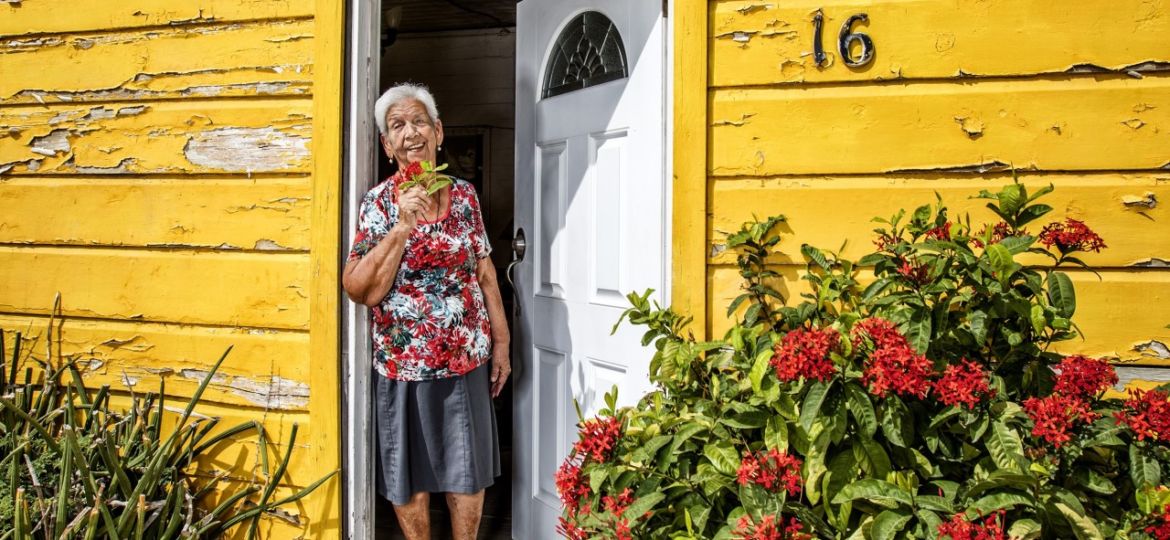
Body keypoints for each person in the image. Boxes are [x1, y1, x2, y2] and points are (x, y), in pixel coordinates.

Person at [343, 83, 510, 539]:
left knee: (467, 471)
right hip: (404, 365)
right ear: (386, 145)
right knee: (408, 476)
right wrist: (401, 227)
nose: (410, 133)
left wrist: (502, 343)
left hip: (465, 359)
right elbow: (360, 290)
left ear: (438, 132)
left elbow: (486, 272)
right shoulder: (378, 204)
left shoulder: (465, 197)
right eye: (397, 126)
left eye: (419, 122)